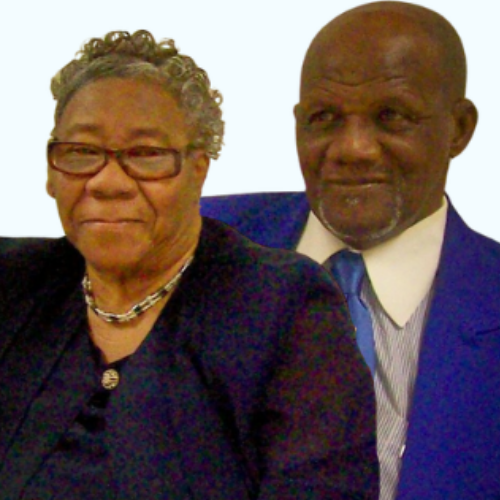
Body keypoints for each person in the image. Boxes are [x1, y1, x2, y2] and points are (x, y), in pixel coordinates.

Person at [0, 30, 378, 499]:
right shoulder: (13, 285)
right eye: (81, 152)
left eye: (145, 155)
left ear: (199, 170)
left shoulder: (284, 308)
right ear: (50, 172)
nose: (108, 182)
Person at [201, 2, 500, 499]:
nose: (352, 148)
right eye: (324, 118)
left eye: (391, 116)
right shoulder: (192, 245)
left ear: (459, 128)